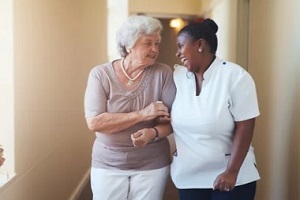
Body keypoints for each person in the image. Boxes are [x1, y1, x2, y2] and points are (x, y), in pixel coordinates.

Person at [84, 14, 176, 200]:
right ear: (128, 46)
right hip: (108, 163)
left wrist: (153, 133)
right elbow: (95, 123)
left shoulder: (163, 73)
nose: (154, 49)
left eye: (157, 43)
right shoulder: (100, 75)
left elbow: (173, 121)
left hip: (152, 163)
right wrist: (143, 114)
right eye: (147, 43)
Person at [170, 18, 260, 200]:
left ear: (200, 45)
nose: (177, 53)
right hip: (188, 178)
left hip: (231, 178)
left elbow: (245, 127)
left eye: (181, 46)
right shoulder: (178, 77)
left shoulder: (235, 76)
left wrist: (232, 172)